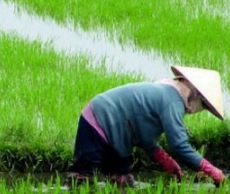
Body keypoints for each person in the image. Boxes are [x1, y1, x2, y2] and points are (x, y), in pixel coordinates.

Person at [66, 65, 225, 187]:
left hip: (119, 134)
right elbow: (179, 145)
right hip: (99, 119)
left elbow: (143, 133)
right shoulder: (173, 101)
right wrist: (210, 170)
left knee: (122, 182)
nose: (198, 110)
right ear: (196, 95)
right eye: (203, 105)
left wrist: (164, 159)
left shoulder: (167, 94)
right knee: (82, 180)